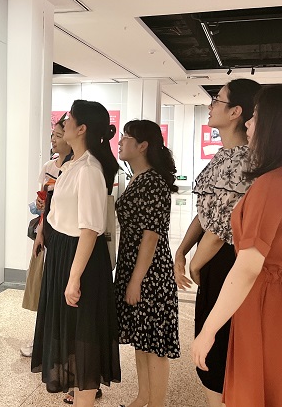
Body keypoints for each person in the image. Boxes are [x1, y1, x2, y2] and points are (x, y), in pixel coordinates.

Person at [192, 85, 282, 407]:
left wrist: (209, 329)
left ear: (276, 126)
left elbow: (247, 268)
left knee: (257, 388)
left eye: (256, 116)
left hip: (264, 301)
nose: (249, 123)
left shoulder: (271, 185)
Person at [173, 78, 260, 407]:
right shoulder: (223, 156)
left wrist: (196, 262)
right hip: (211, 258)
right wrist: (182, 251)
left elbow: (223, 226)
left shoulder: (244, 160)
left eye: (218, 100)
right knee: (212, 344)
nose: (211, 106)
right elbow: (205, 212)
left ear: (236, 111)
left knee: (217, 350)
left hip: (225, 261)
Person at [31, 100, 121, 407]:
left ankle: (85, 399)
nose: (63, 123)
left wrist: (73, 277)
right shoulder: (72, 165)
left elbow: (90, 229)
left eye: (69, 118)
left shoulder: (90, 170)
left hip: (78, 259)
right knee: (70, 334)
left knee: (84, 337)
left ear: (81, 129)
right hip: (63, 255)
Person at [115, 120, 180, 407]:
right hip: (135, 266)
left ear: (143, 146)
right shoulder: (137, 178)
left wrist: (136, 280)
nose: (120, 142)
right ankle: (143, 397)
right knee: (142, 337)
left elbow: (151, 236)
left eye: (126, 137)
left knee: (154, 343)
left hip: (150, 272)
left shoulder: (152, 182)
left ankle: (156, 403)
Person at [21, 116, 73, 357]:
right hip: (49, 232)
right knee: (45, 288)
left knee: (62, 290)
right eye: (53, 134)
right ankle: (42, 339)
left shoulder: (76, 167)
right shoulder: (48, 167)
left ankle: (60, 342)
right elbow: (42, 205)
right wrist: (40, 233)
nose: (53, 139)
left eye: (59, 135)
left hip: (68, 235)